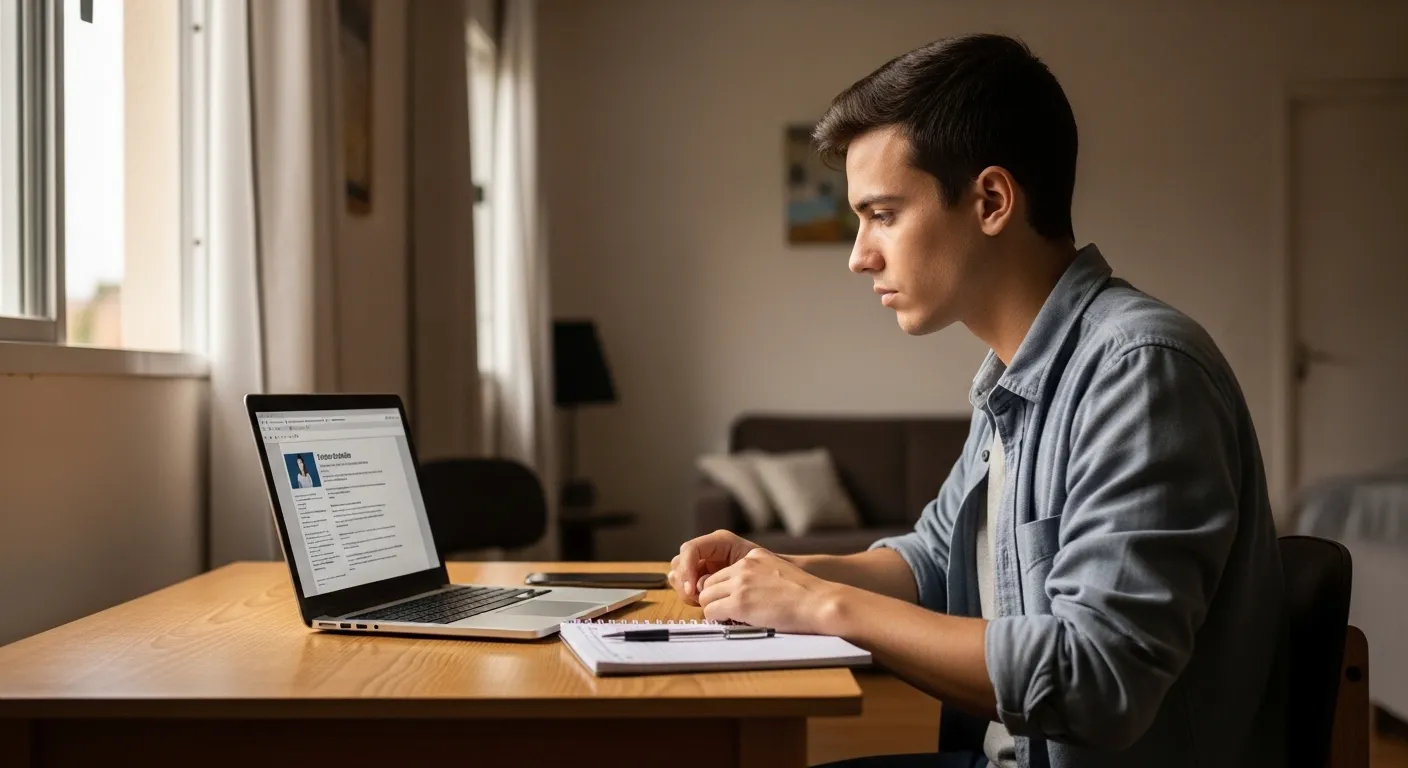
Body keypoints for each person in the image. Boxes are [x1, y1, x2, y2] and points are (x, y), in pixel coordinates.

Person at [667, 34, 1285, 768]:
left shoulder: (1140, 370)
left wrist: (821, 607)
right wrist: (781, 570)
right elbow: (932, 561)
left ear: (991, 200)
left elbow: (1098, 678)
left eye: (883, 214)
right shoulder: (1015, 373)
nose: (859, 253)